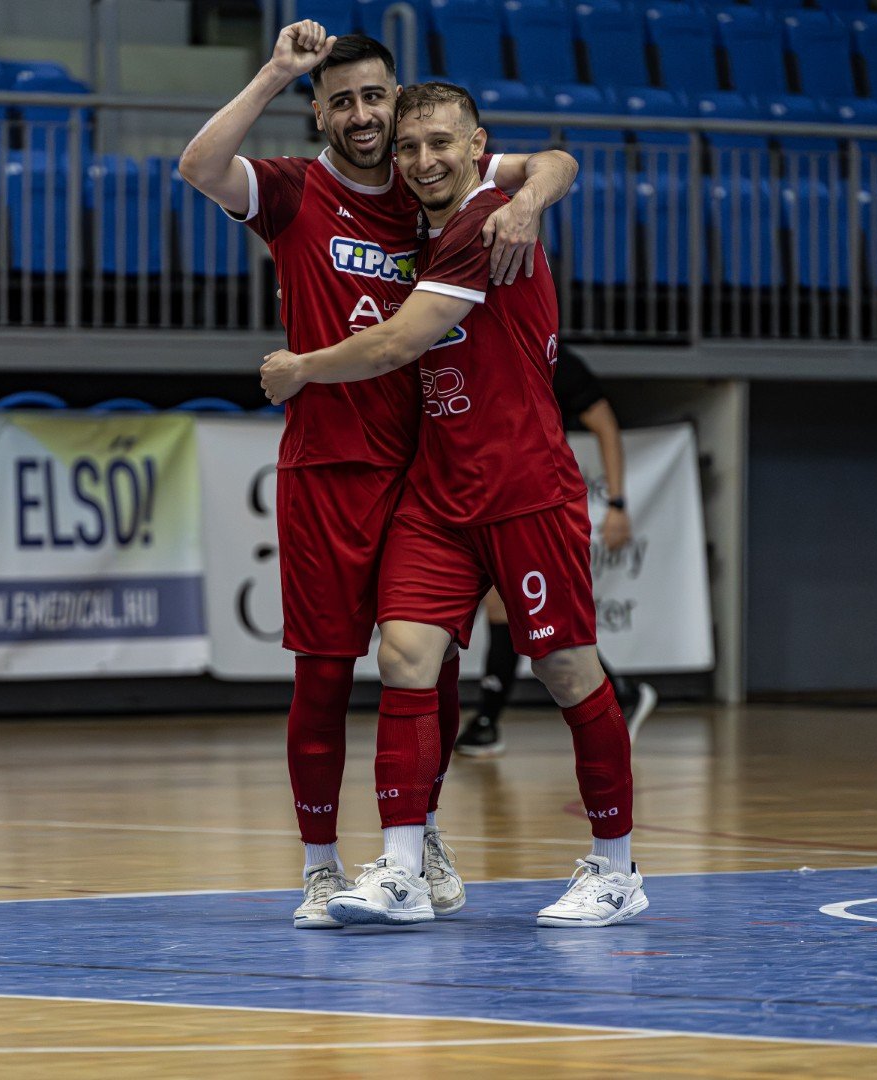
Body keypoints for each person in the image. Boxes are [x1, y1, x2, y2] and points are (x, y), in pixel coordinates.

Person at [177, 23, 577, 930]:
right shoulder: (290, 190)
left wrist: (529, 205)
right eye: (343, 98)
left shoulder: (428, 182)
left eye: (376, 98)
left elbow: (552, 162)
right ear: (319, 110)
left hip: (423, 470)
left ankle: (415, 839)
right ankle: (319, 865)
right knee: (322, 677)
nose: (362, 114)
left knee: (420, 669)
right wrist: (276, 69)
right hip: (326, 467)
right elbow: (200, 167)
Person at [260, 82, 646, 930]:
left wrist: (301, 369)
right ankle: (401, 871)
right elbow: (554, 163)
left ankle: (616, 867)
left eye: (441, 144)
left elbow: (401, 340)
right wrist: (541, 186)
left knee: (567, 670)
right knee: (404, 656)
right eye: (409, 147)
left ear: (477, 147)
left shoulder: (483, 222)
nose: (424, 160)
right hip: (438, 491)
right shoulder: (429, 213)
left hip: (522, 486)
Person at [456, 351, 658, 758]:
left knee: (536, 613)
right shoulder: (472, 351)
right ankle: (489, 721)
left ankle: (490, 720)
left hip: (540, 501)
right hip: (490, 497)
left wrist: (617, 504)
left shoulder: (552, 357)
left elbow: (605, 425)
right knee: (514, 609)